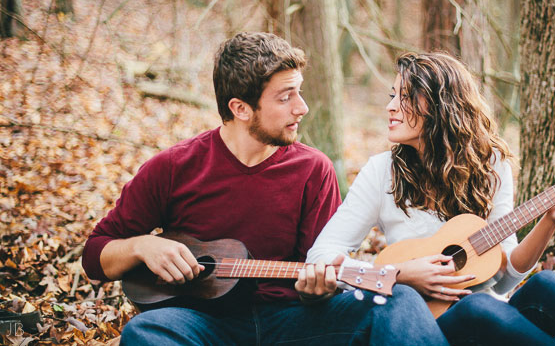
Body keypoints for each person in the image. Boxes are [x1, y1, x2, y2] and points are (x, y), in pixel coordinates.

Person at [82, 33, 448, 346]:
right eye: (285, 97)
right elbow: (96, 256)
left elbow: (320, 266)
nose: (302, 107)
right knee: (145, 332)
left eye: (299, 92)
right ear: (241, 108)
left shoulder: (312, 169)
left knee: (398, 299)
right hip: (204, 325)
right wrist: (141, 244)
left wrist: (316, 287)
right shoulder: (173, 167)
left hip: (294, 322)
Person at [305, 52, 555, 345]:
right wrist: (398, 273)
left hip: (493, 315)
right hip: (426, 326)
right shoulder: (382, 172)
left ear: (440, 106)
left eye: (405, 97)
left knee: (546, 284)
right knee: (477, 307)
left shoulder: (492, 165)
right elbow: (321, 256)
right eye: (392, 96)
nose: (391, 107)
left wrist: (550, 219)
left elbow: (509, 272)